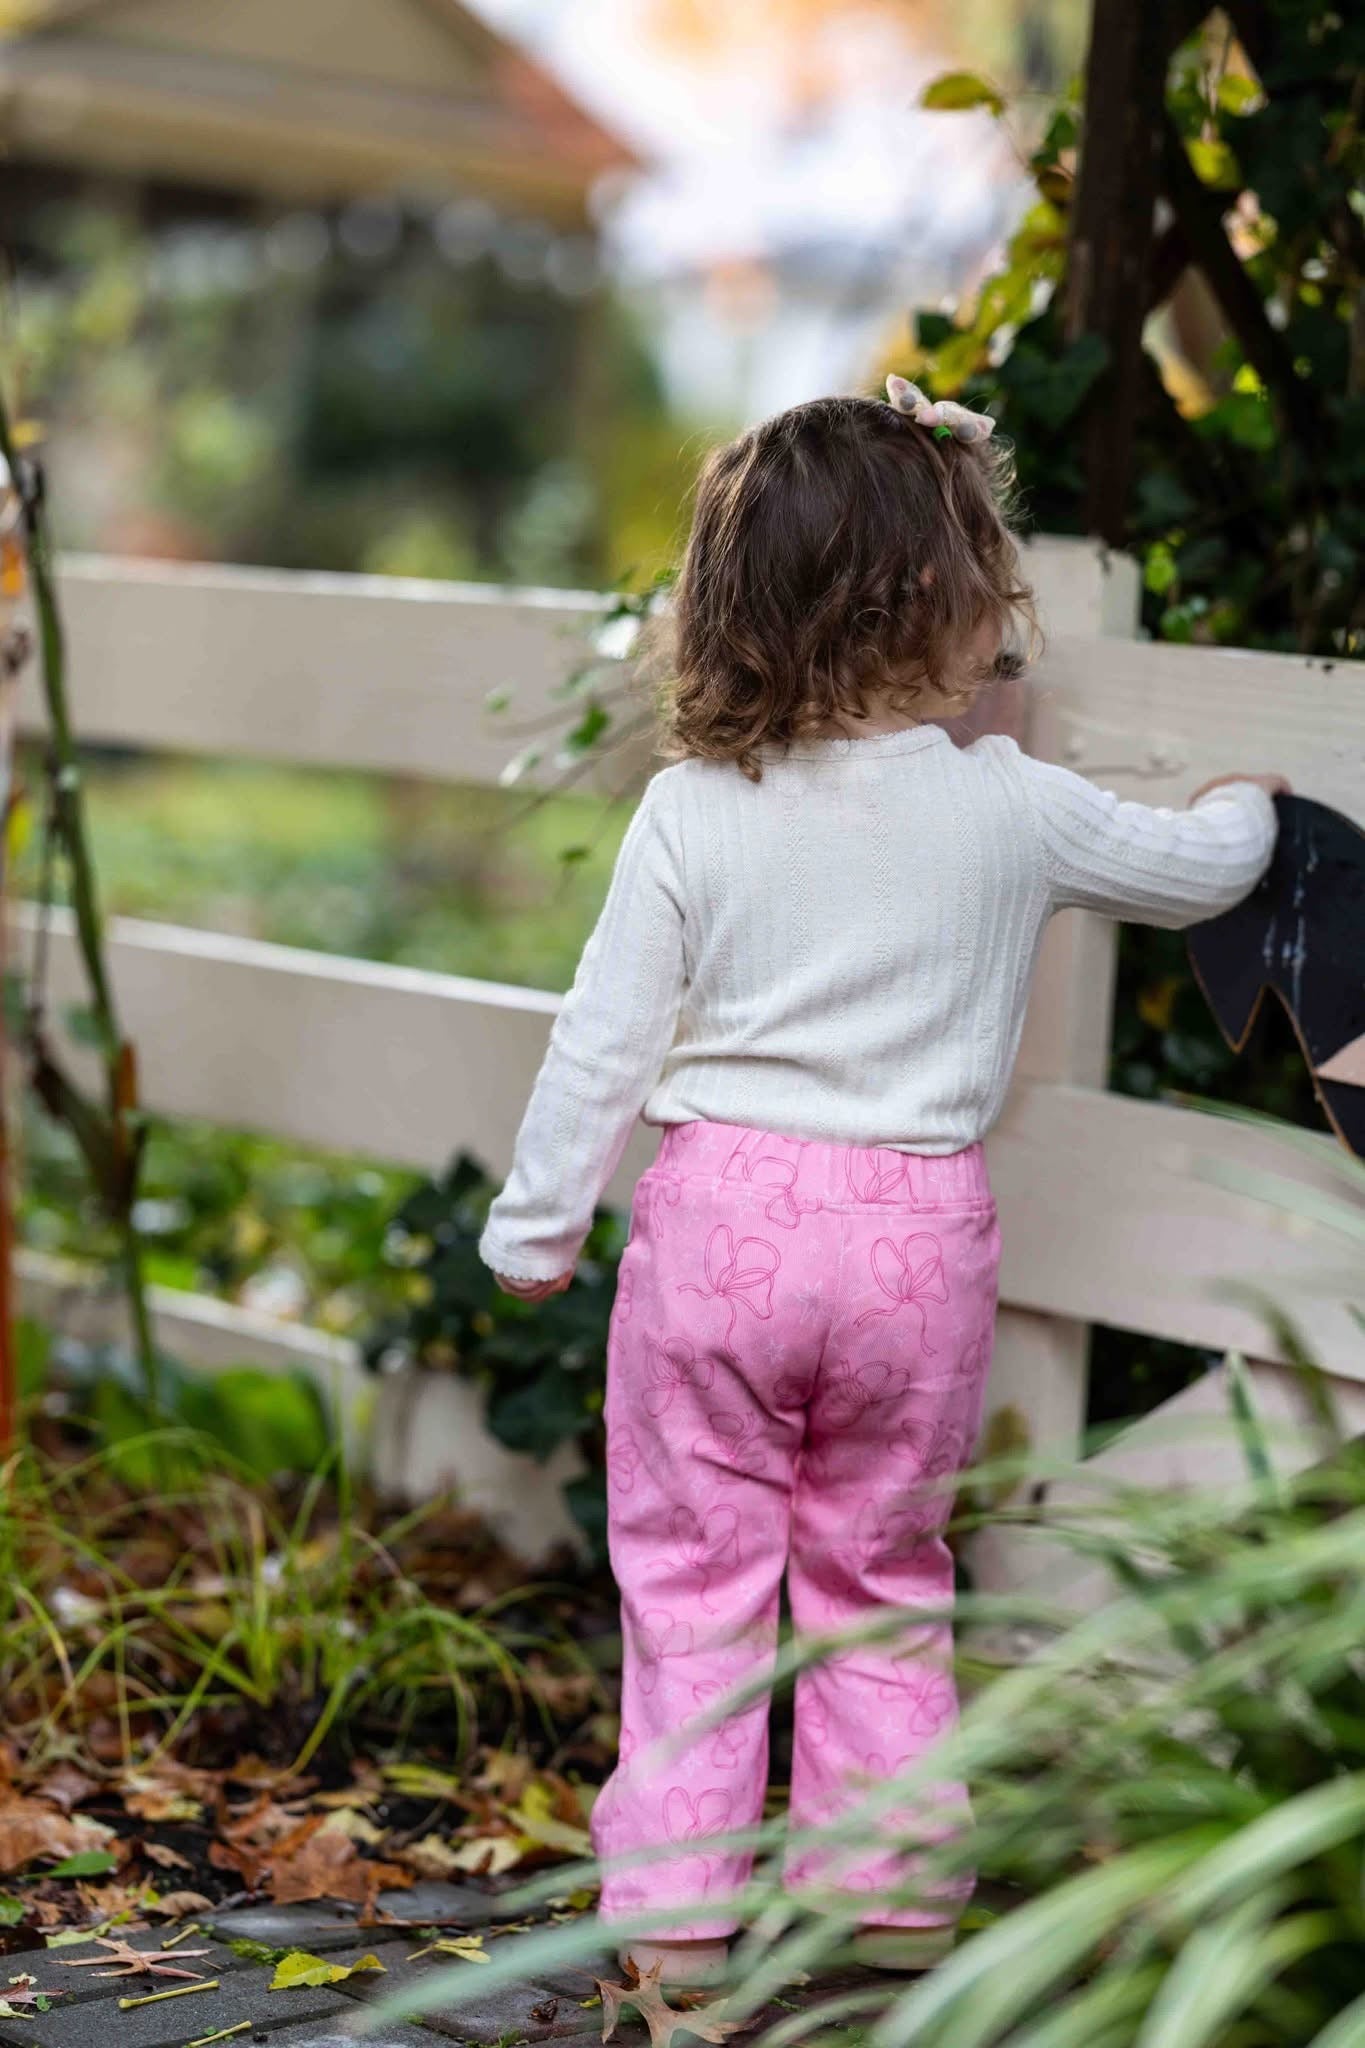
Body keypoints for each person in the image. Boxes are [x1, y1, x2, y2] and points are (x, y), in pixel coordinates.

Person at [478, 378, 1284, 1983]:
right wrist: (1245, 805)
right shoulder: (1007, 808)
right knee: (881, 1573)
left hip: (720, 1233)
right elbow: (1203, 872)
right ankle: (899, 1901)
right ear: (943, 598)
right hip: (914, 1244)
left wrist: (538, 1223)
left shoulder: (690, 812)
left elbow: (602, 1038)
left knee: (695, 1581)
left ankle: (681, 1925)